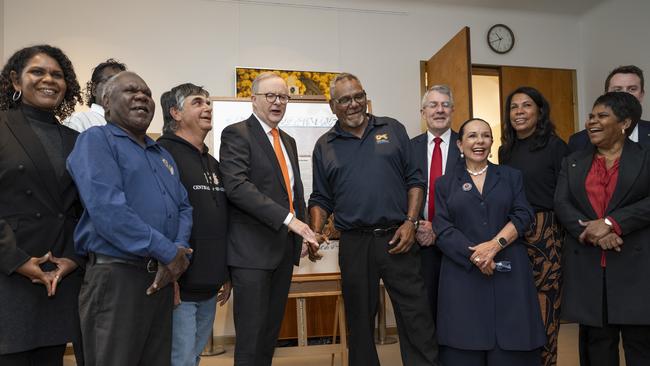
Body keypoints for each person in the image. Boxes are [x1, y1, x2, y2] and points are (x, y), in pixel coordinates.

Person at [309, 73, 439, 366]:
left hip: (399, 236)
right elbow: (320, 198)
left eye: (358, 96)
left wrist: (410, 222)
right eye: (345, 99)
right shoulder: (325, 145)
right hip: (355, 244)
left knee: (416, 316)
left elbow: (415, 180)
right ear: (333, 106)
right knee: (359, 321)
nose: (354, 104)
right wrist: (315, 232)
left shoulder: (392, 128)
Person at [67, 71, 193, 366]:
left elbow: (185, 207)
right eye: (130, 91)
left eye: (147, 93)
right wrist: (168, 253)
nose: (141, 97)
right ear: (106, 102)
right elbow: (109, 211)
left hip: (160, 277)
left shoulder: (161, 153)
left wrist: (178, 251)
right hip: (116, 279)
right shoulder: (95, 140)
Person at [219, 72, 319, 366]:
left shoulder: (286, 139)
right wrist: (291, 221)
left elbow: (293, 191)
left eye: (283, 97)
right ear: (253, 99)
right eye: (270, 96)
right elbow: (237, 187)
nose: (278, 102)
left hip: (282, 252)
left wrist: (301, 232)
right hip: (251, 254)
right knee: (251, 339)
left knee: (269, 336)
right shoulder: (237, 134)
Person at [434, 117, 545, 366]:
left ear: (492, 142)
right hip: (462, 273)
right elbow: (443, 228)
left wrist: (495, 245)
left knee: (512, 346)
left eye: (485, 135)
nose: (479, 141)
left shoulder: (511, 176)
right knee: (464, 345)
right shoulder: (444, 184)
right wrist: (476, 256)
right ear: (460, 145)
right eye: (472, 136)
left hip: (508, 270)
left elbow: (523, 214)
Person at [0, 44, 84, 366]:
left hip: (58, 277)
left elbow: (83, 210)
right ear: (16, 81)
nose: (49, 79)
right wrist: (18, 260)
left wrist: (75, 259)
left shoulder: (75, 140)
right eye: (38, 71)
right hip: (10, 273)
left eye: (57, 74)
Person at [554, 92, 650, 366]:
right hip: (589, 267)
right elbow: (562, 203)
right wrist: (595, 235)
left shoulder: (645, 157)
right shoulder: (573, 161)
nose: (592, 122)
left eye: (602, 116)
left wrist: (611, 223)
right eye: (591, 116)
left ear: (625, 123)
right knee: (596, 347)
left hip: (636, 268)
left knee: (640, 345)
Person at [157, 83, 231, 366]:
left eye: (209, 103)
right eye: (198, 102)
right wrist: (169, 274)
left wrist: (224, 271)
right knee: (180, 360)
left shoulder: (213, 163)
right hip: (179, 284)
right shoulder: (162, 155)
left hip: (210, 283)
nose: (208, 108)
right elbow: (162, 218)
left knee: (193, 357)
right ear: (175, 112)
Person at [498, 86, 568, 366]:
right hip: (514, 232)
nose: (519, 112)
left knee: (545, 305)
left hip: (546, 232)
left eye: (526, 106)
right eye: (514, 107)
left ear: (540, 111)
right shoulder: (505, 150)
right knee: (517, 303)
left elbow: (565, 194)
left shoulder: (555, 146)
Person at [410, 84, 461, 322]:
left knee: (456, 310)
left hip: (459, 241)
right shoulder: (409, 149)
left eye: (445, 104)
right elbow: (401, 193)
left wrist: (439, 228)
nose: (439, 110)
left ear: (452, 110)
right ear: (423, 112)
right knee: (424, 311)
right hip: (419, 243)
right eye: (433, 105)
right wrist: (419, 225)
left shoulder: (469, 146)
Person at [568, 65, 650, 152]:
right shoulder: (578, 141)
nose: (625, 94)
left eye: (632, 89)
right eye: (617, 89)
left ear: (641, 95)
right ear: (606, 96)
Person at [63, 58, 126, 132]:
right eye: (111, 81)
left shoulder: (130, 126)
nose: (117, 87)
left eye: (122, 84)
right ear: (94, 89)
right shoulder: (78, 121)